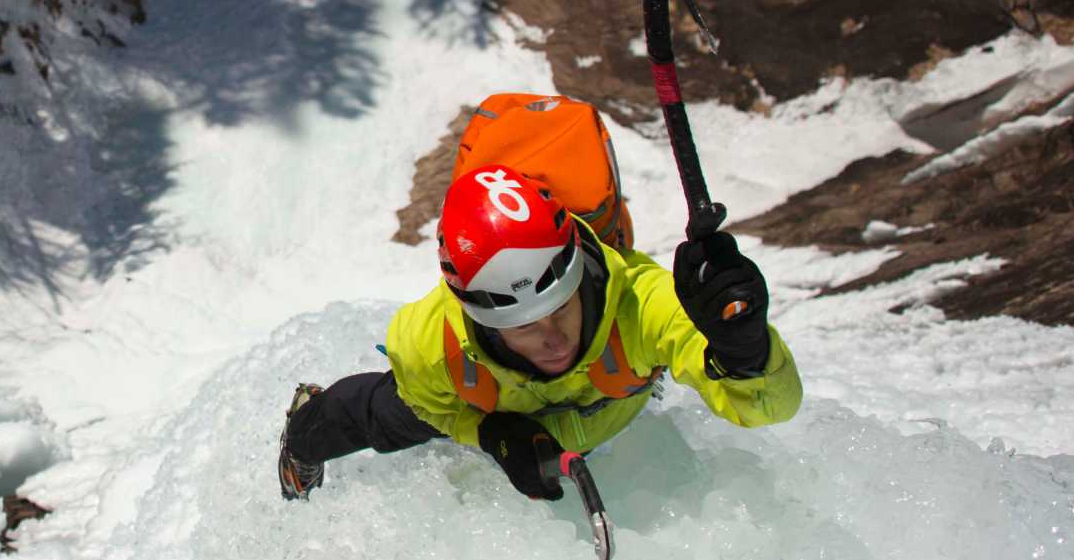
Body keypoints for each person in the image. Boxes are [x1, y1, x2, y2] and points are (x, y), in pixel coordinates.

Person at [277, 163, 802, 502]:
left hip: (593, 412)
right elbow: (434, 407)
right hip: (494, 400)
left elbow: (770, 409)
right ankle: (304, 427)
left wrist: (745, 351)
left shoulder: (642, 306)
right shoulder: (431, 344)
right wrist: (487, 433)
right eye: (525, 326)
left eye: (563, 308)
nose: (555, 340)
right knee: (378, 417)